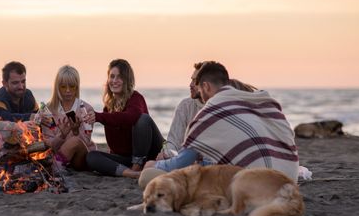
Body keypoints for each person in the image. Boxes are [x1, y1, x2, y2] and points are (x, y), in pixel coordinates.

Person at [145, 61, 299, 182]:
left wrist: (155, 165)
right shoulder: (257, 101)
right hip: (288, 176)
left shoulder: (210, 112)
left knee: (148, 176)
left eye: (197, 86)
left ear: (205, 86)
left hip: (254, 182)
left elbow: (181, 163)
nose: (196, 90)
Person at [85, 59, 164, 178]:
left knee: (143, 119)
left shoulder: (136, 98)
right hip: (127, 159)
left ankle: (137, 166)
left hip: (151, 154)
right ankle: (132, 173)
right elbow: (114, 145)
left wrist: (99, 116)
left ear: (127, 80)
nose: (114, 81)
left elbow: (131, 117)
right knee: (91, 156)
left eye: (119, 77)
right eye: (112, 76)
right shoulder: (108, 108)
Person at [41, 65, 96, 170]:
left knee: (74, 141)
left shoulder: (86, 109)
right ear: (57, 87)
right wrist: (62, 135)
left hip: (80, 160)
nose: (67, 90)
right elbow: (50, 145)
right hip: (57, 155)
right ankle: (57, 167)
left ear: (77, 86)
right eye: (63, 86)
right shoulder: (47, 110)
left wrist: (75, 131)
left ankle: (56, 169)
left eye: (72, 86)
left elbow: (86, 142)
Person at [156, 62, 205, 160]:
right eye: (191, 80)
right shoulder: (185, 106)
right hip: (183, 160)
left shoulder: (219, 107)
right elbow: (173, 141)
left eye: (195, 81)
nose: (190, 85)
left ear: (206, 85)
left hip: (205, 165)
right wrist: (167, 154)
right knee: (152, 166)